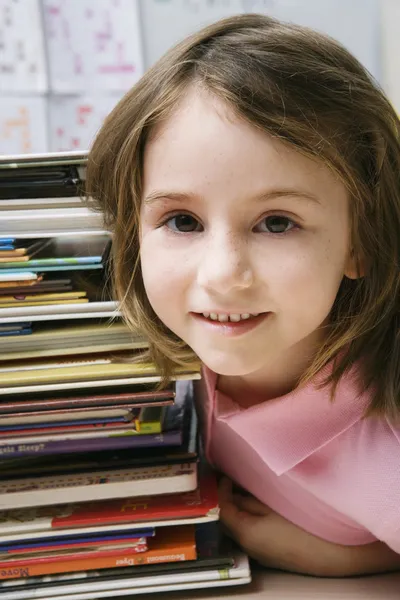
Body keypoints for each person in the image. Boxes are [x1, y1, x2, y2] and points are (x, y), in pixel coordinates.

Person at [86, 14, 400, 577]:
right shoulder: (172, 353)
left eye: (277, 224)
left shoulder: (387, 449)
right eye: (181, 220)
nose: (224, 275)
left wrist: (346, 558)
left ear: (364, 242)